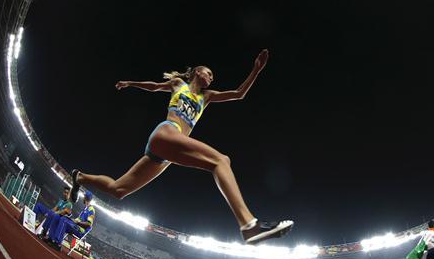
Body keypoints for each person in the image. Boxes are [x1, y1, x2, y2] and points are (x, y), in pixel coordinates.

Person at [69, 49, 293, 244]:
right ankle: (249, 225)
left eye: (213, 77)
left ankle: (80, 177)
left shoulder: (207, 97)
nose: (211, 78)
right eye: (209, 73)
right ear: (197, 71)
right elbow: (156, 87)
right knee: (221, 160)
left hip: (165, 155)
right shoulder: (179, 85)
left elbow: (238, 94)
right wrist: (131, 83)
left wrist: (256, 70)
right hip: (167, 131)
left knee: (119, 190)